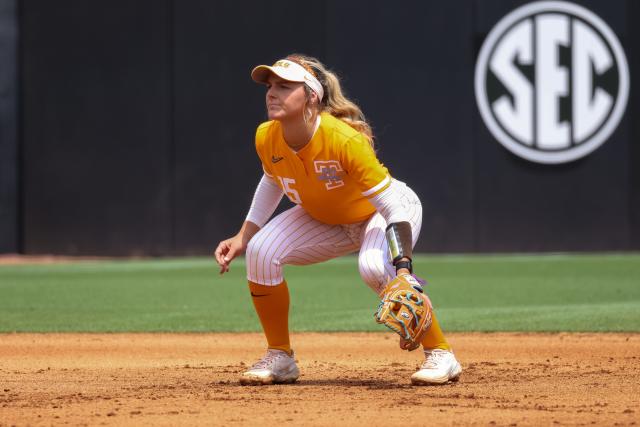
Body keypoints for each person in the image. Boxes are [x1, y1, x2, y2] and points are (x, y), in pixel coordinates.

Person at [214, 54, 462, 386]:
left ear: (311, 96)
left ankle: (441, 354)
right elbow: (272, 179)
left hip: (384, 211)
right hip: (330, 219)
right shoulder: (266, 136)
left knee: (374, 267)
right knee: (260, 251)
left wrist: (403, 269)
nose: (272, 93)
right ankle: (280, 357)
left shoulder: (342, 138)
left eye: (285, 86)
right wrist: (244, 235)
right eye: (270, 86)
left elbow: (392, 207)